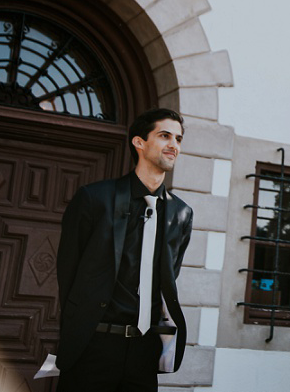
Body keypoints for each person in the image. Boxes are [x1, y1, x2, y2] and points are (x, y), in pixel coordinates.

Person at [55, 108, 194, 391]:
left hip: (145, 351)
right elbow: (67, 273)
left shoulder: (181, 213)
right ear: (139, 142)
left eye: (178, 139)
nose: (174, 145)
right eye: (164, 135)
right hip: (94, 344)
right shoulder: (94, 199)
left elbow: (169, 277)